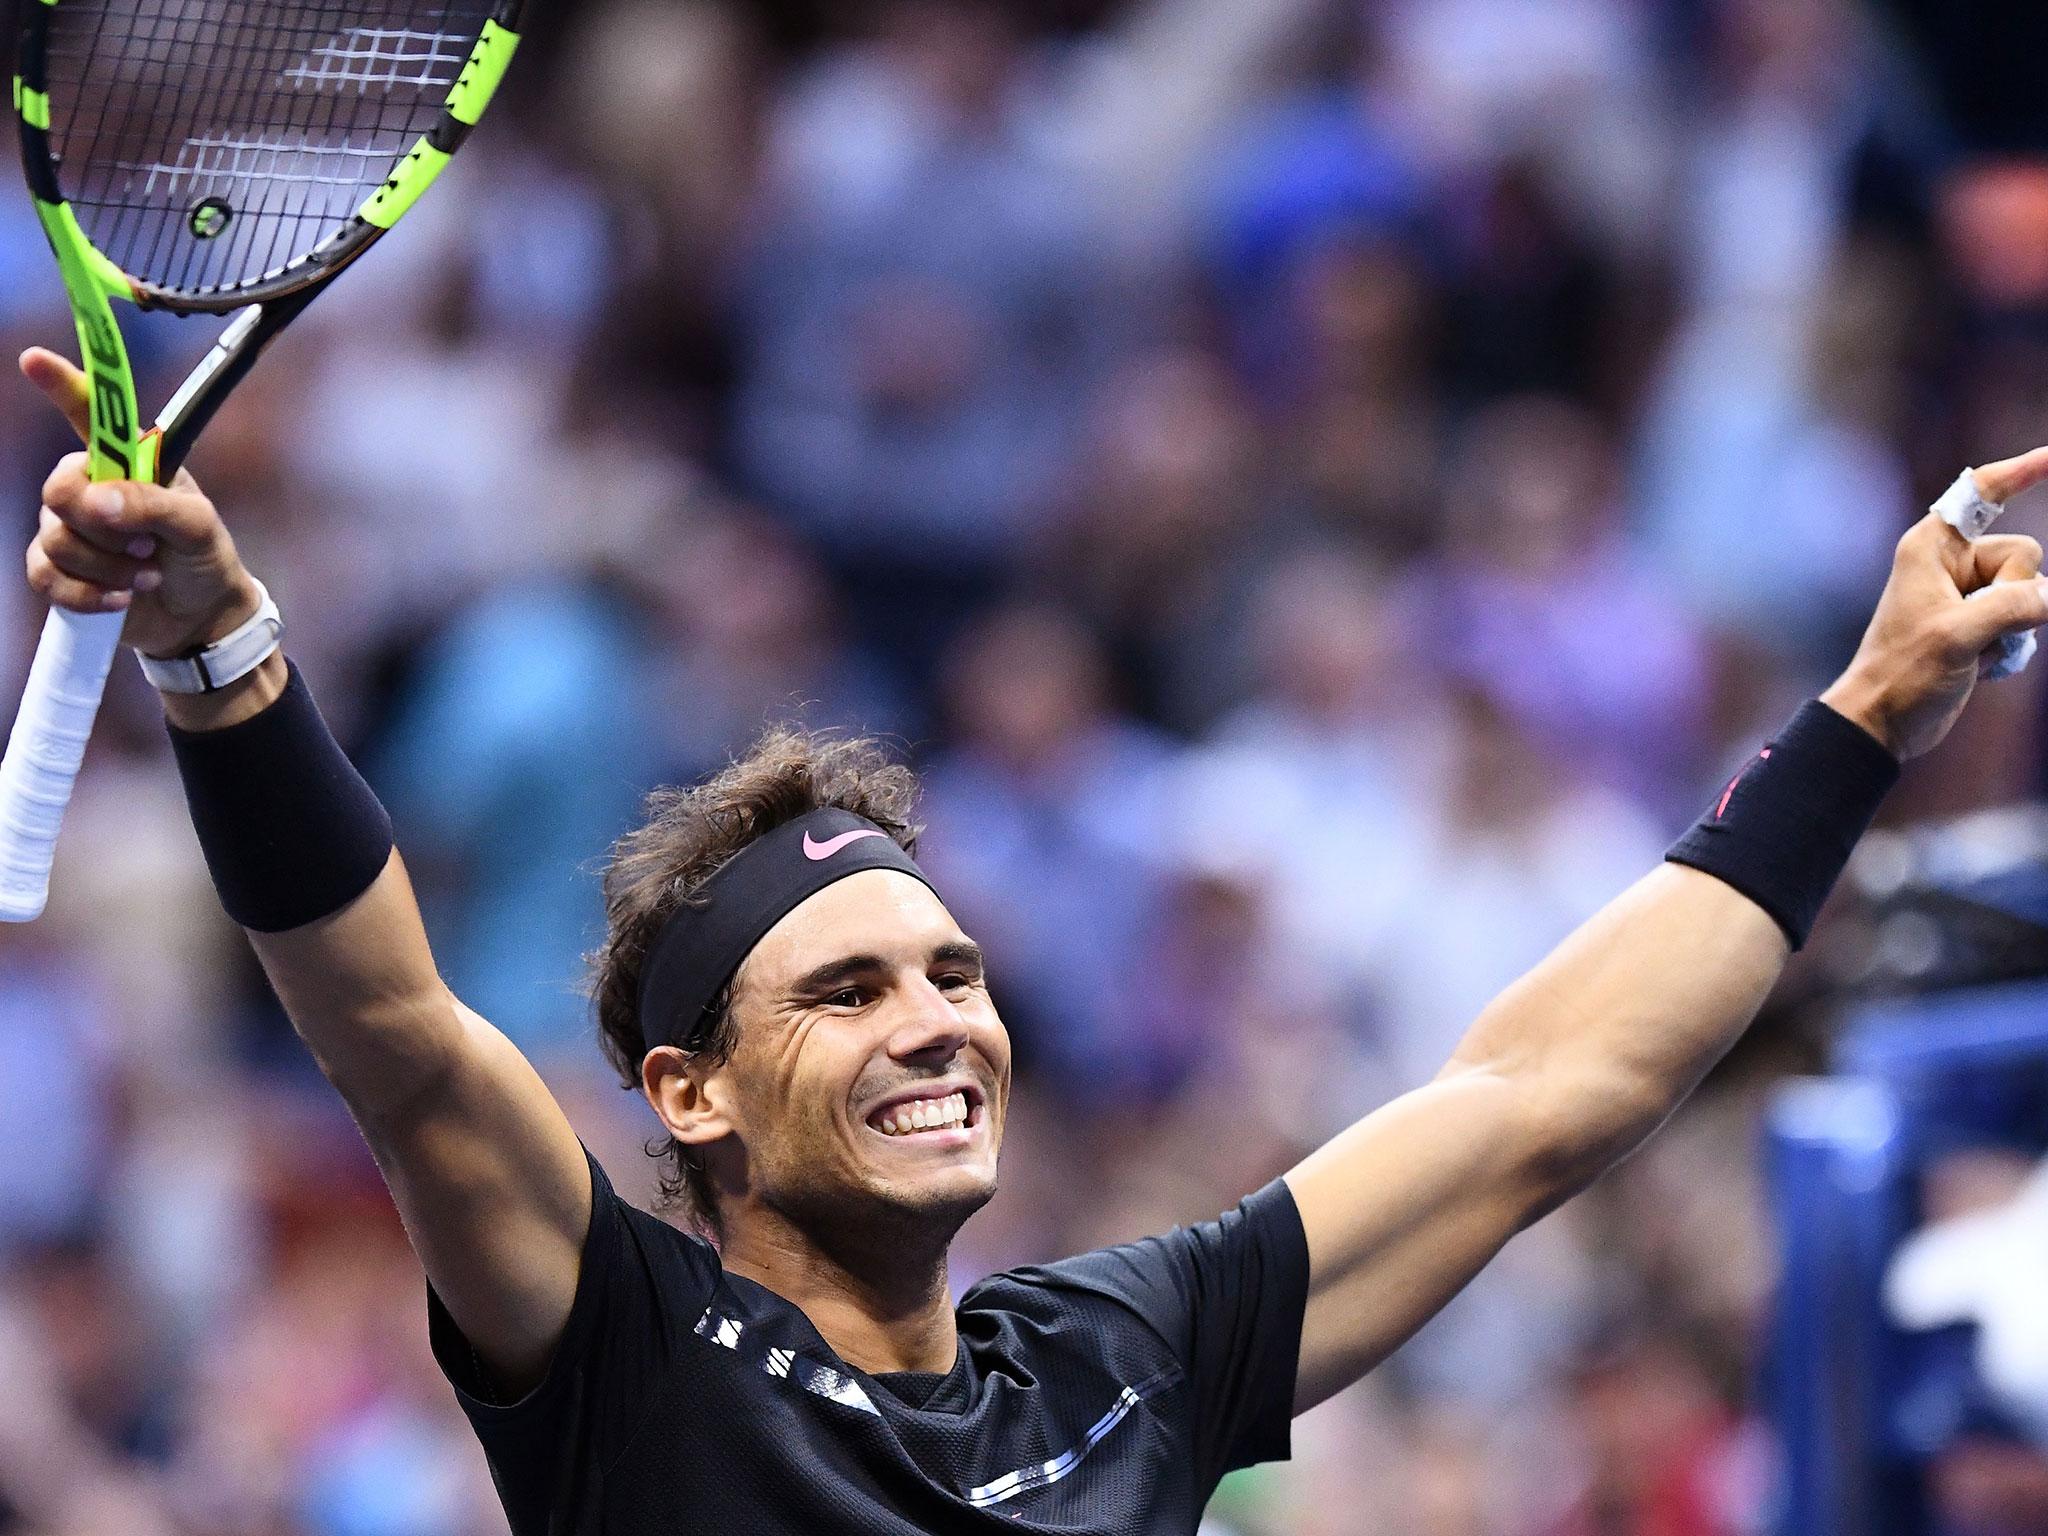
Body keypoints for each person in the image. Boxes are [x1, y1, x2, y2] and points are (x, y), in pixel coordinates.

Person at [16, 341, 2048, 1535]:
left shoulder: (1123, 1358)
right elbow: (386, 1022)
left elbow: (1541, 1093)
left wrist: (1861, 719)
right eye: (846, 987)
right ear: (687, 1094)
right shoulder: (625, 1357)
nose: (935, 1023)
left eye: (955, 975)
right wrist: (219, 647)